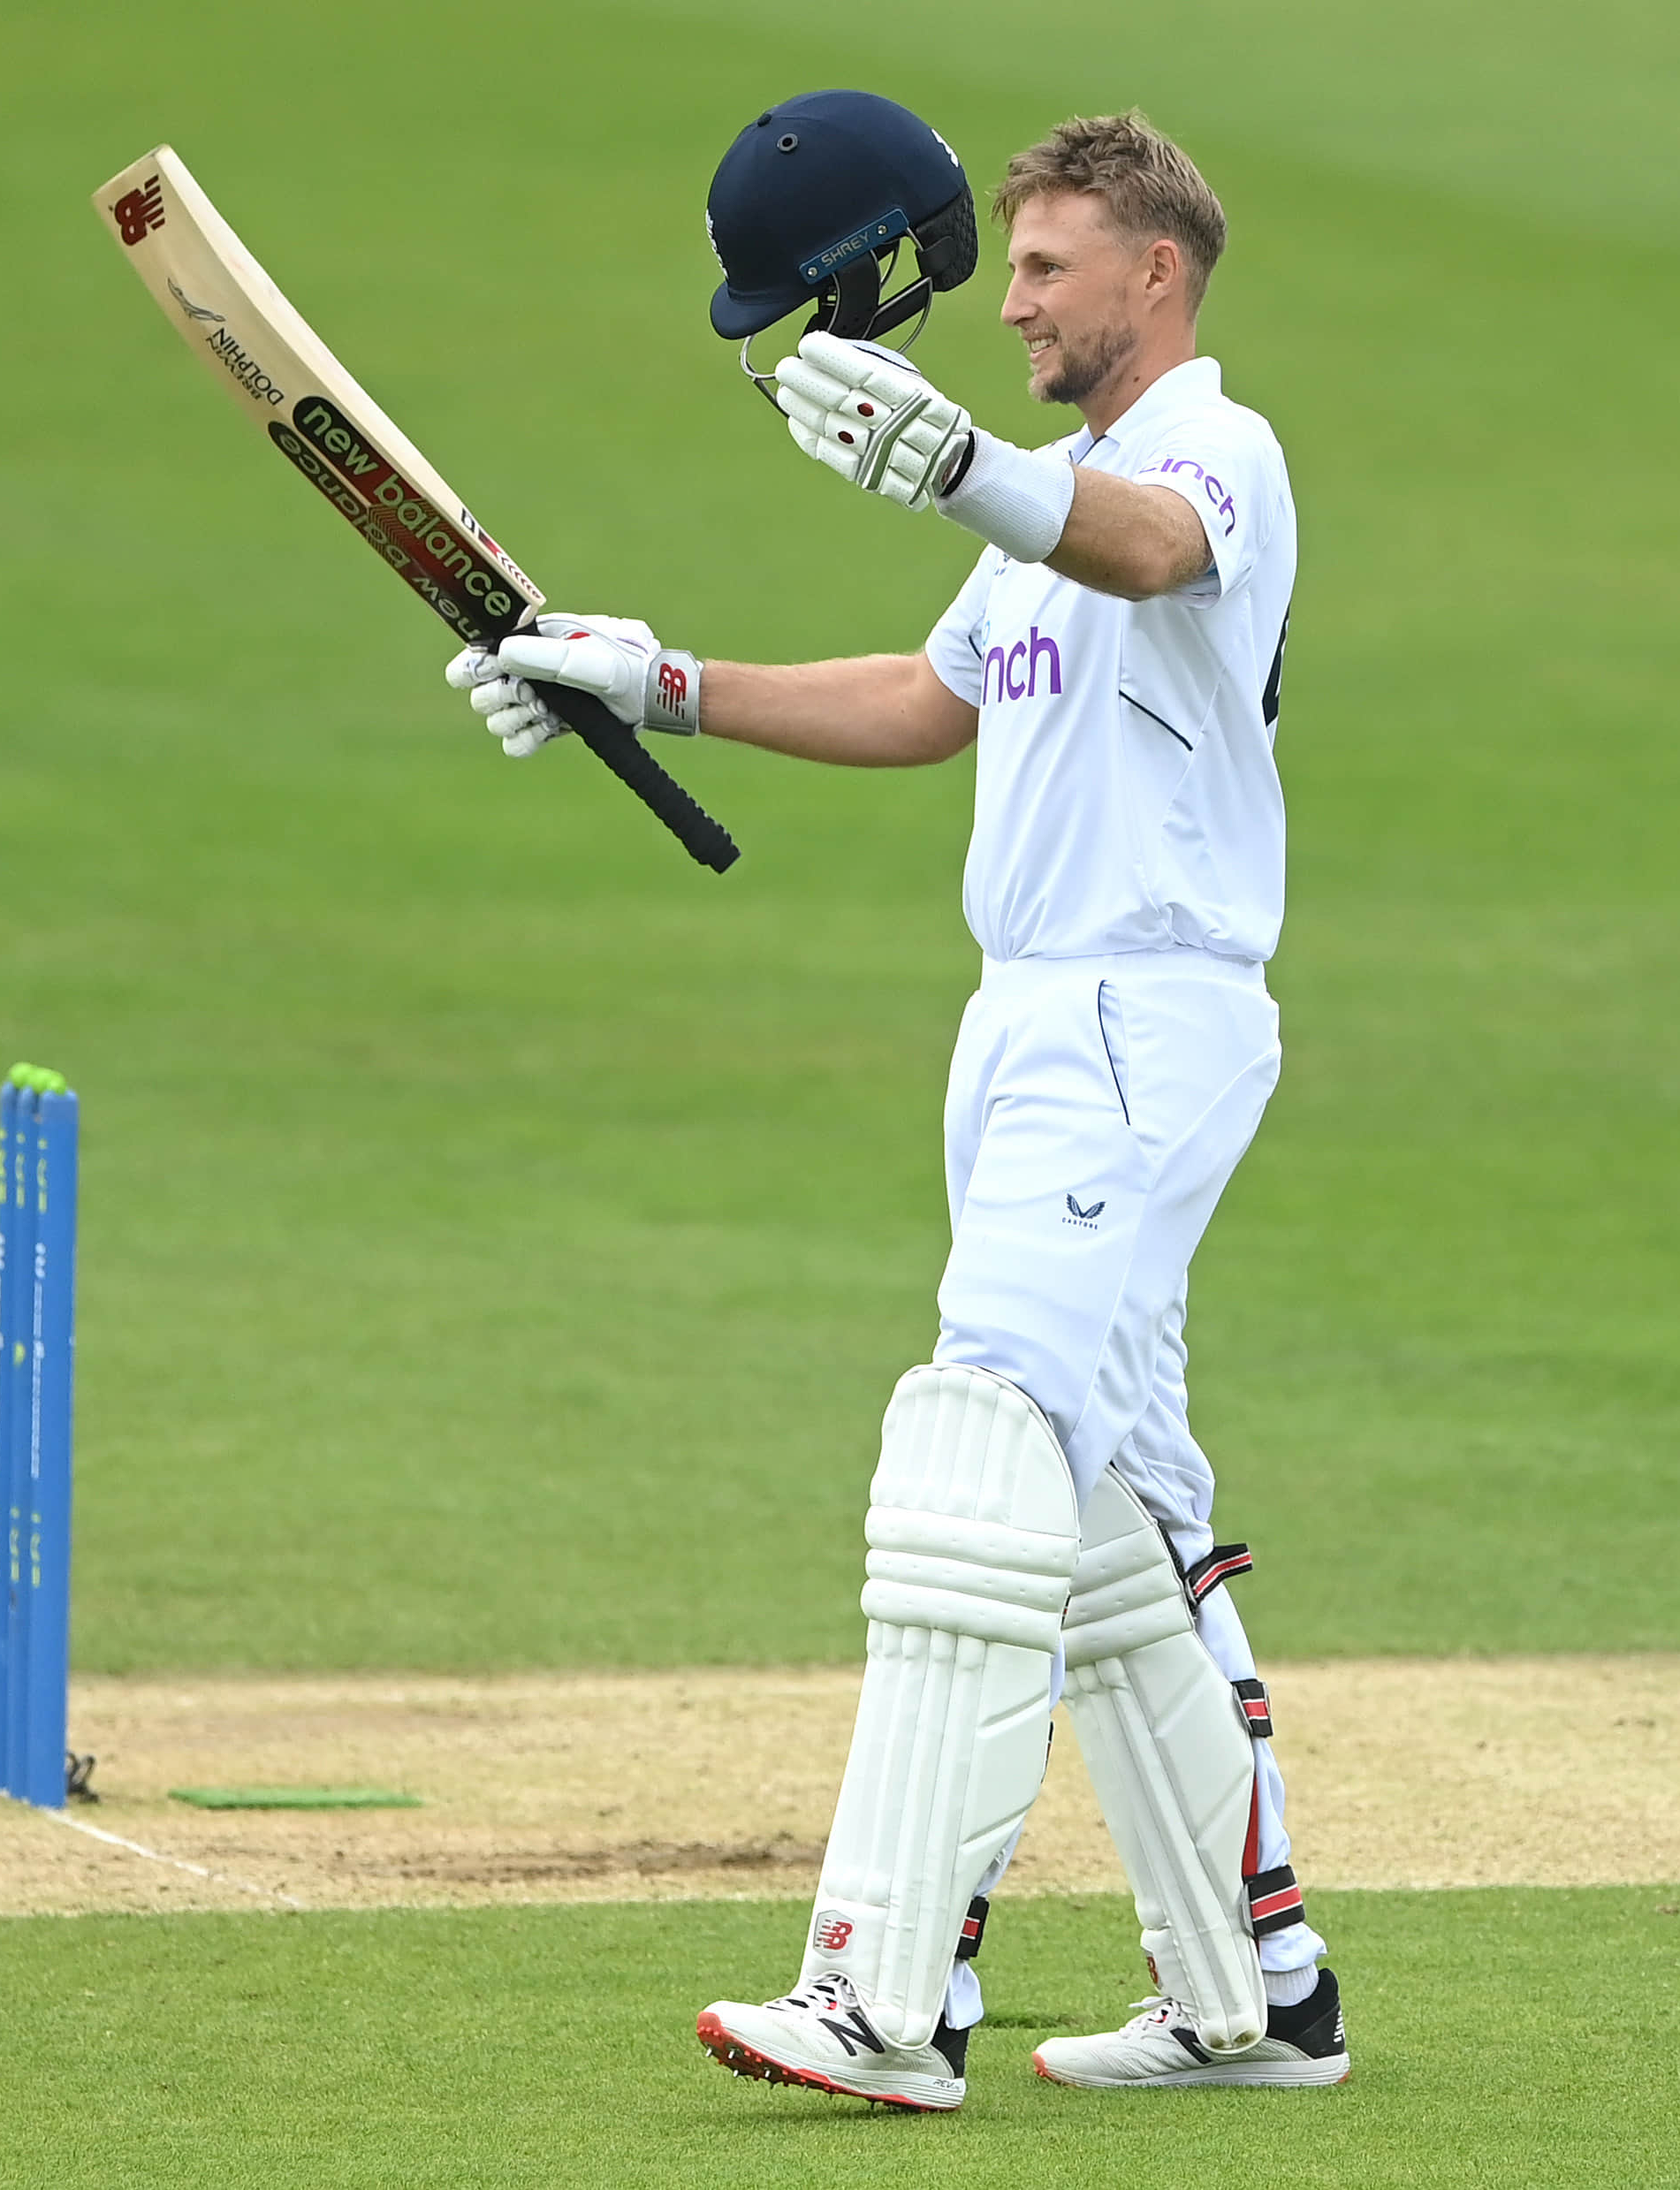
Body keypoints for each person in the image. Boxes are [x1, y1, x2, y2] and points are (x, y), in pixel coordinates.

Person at [452, 105, 1342, 2109]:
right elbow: (934, 702)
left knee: (980, 1440)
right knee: (1112, 1512)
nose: (1010, 297)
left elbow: (1142, 551)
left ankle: (886, 1997)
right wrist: (654, 677)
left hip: (1134, 1011)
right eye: (1008, 262)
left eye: (1046, 267)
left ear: (1154, 277)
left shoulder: (1206, 451)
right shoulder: (1066, 486)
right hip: (1030, 1019)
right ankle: (1252, 1991)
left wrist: (955, 465)